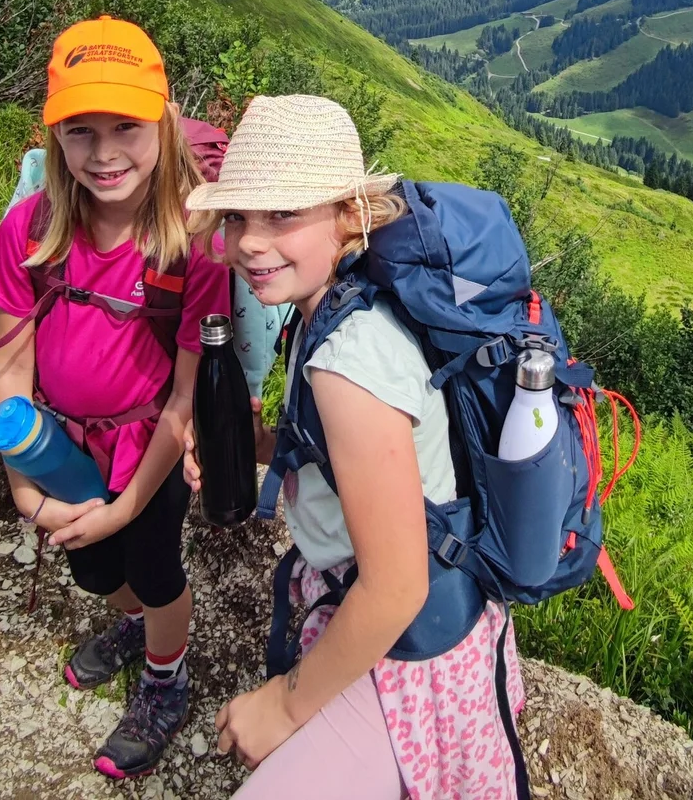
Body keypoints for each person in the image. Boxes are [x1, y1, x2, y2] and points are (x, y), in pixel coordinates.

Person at [184, 95, 526, 800]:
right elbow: (360, 461)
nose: (249, 240)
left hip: (405, 652)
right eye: (239, 215)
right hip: (404, 615)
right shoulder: (338, 302)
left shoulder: (349, 360)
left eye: (283, 214)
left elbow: (397, 585)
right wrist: (264, 444)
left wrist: (282, 704)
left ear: (348, 215)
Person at [0, 15, 229, 780]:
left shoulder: (191, 246)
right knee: (91, 568)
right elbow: (11, 367)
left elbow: (183, 399)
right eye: (81, 130)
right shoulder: (33, 225)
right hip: (60, 443)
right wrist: (22, 482)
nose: (105, 152)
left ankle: (163, 675)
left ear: (165, 122)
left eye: (126, 125)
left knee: (152, 566)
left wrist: (123, 504)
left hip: (145, 446)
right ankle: (134, 624)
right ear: (55, 138)